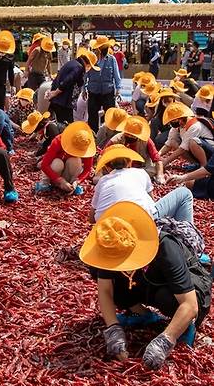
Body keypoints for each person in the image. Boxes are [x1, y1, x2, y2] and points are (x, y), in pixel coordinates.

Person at [81, 201, 211, 370]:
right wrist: (113, 329)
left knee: (168, 299)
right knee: (106, 277)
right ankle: (143, 315)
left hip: (187, 289)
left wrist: (165, 340)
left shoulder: (165, 246)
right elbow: (105, 290)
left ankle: (185, 326)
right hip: (147, 281)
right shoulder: (112, 246)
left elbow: (190, 304)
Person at [90, 144, 193, 223]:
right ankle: (187, 239)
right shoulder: (140, 172)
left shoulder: (102, 181)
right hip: (143, 223)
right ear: (130, 162)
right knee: (184, 193)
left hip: (108, 228)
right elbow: (152, 204)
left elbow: (91, 218)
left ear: (107, 167)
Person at [36, 121, 95, 195]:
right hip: (54, 173)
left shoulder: (86, 144)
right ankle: (46, 183)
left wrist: (78, 181)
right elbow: (44, 165)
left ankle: (71, 185)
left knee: (76, 161)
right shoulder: (58, 141)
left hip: (67, 174)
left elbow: (87, 169)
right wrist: (60, 180)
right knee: (57, 163)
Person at [46, 48, 99, 125]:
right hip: (63, 102)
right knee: (67, 127)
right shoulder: (79, 67)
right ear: (88, 64)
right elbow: (67, 81)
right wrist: (56, 92)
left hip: (58, 101)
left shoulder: (72, 63)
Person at [107, 116, 165, 183]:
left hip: (140, 169)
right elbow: (103, 155)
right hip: (119, 169)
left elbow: (157, 159)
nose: (130, 136)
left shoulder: (146, 141)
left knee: (153, 170)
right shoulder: (116, 140)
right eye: (128, 134)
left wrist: (160, 175)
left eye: (133, 135)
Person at [160, 102, 214, 169]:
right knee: (173, 142)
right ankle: (196, 164)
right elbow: (168, 143)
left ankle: (204, 167)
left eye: (174, 120)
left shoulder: (194, 126)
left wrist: (165, 162)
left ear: (181, 118)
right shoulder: (178, 127)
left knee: (193, 142)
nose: (172, 123)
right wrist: (157, 156)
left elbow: (183, 149)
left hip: (210, 151)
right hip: (196, 151)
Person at [85, 36, 122, 133]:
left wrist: (118, 88)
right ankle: (93, 135)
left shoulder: (112, 59)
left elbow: (116, 75)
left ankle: (108, 135)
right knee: (92, 115)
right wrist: (83, 89)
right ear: (98, 48)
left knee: (109, 116)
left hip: (108, 91)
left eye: (105, 47)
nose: (104, 49)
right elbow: (85, 74)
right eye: (102, 47)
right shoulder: (91, 59)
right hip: (93, 91)